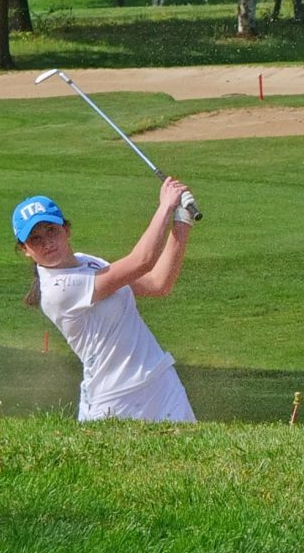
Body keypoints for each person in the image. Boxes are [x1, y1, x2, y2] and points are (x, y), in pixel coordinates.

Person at [13, 177, 198, 422]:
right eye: (35, 239)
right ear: (25, 250)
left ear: (66, 230)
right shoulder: (58, 290)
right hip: (115, 400)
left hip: (160, 382)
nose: (46, 242)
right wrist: (165, 206)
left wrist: (182, 220)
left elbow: (158, 284)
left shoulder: (88, 262)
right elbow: (142, 261)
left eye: (51, 230)